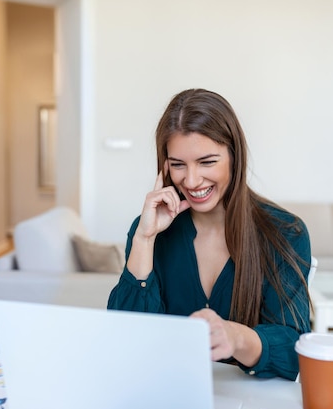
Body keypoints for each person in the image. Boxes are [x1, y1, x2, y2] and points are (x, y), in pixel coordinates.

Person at [107, 88, 311, 380]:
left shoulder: (285, 233)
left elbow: (295, 351)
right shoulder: (149, 231)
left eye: (207, 162)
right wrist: (144, 240)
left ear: (234, 156)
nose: (191, 180)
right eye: (178, 165)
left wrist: (235, 336)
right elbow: (122, 342)